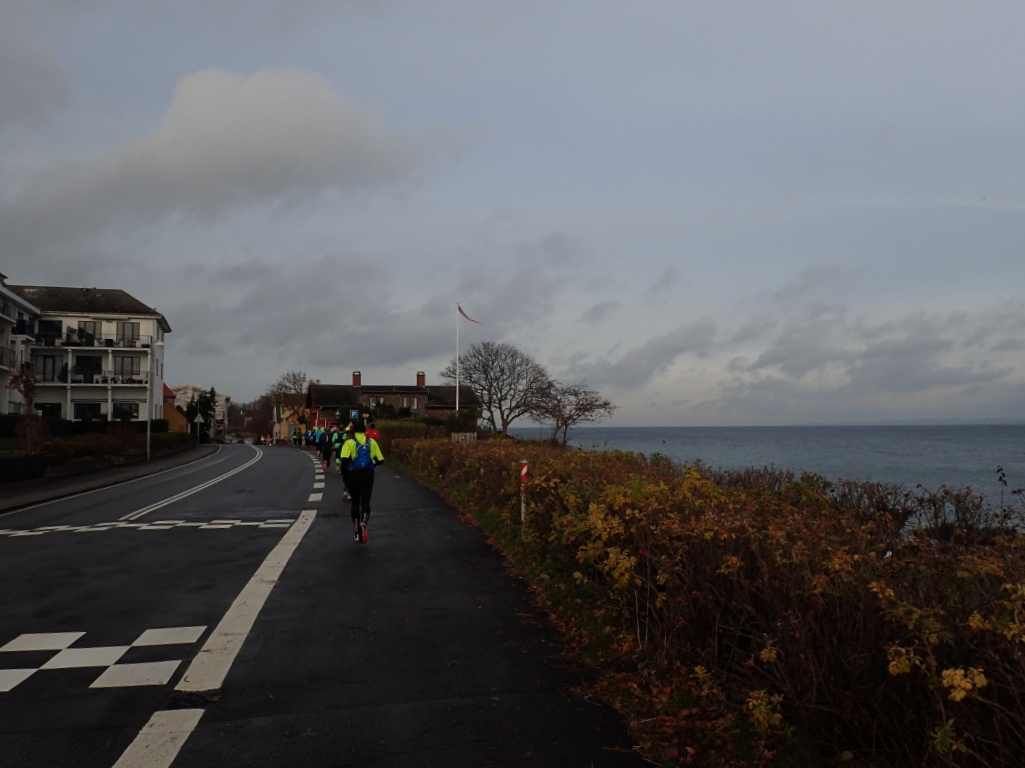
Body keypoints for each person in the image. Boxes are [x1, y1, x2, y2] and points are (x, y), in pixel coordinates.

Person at [339, 419, 384, 543]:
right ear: (364, 431)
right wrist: (371, 463)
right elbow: (381, 460)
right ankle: (364, 523)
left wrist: (345, 476)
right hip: (368, 474)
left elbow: (344, 461)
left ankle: (356, 530)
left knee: (355, 503)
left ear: (353, 430)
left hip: (353, 475)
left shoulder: (349, 443)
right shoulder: (372, 442)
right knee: (365, 502)